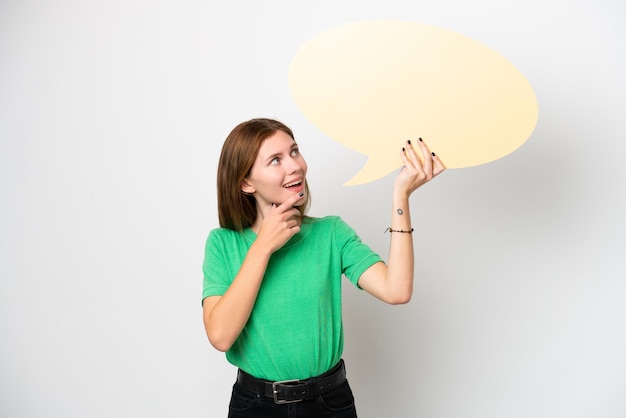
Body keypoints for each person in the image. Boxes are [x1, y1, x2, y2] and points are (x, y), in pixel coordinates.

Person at [202, 118, 444, 417]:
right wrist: (263, 247)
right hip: (255, 406)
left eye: (294, 151)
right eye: (275, 160)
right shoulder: (223, 244)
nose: (294, 166)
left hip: (328, 403)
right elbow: (221, 336)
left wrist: (401, 196)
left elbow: (396, 290)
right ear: (245, 182)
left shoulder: (330, 233)